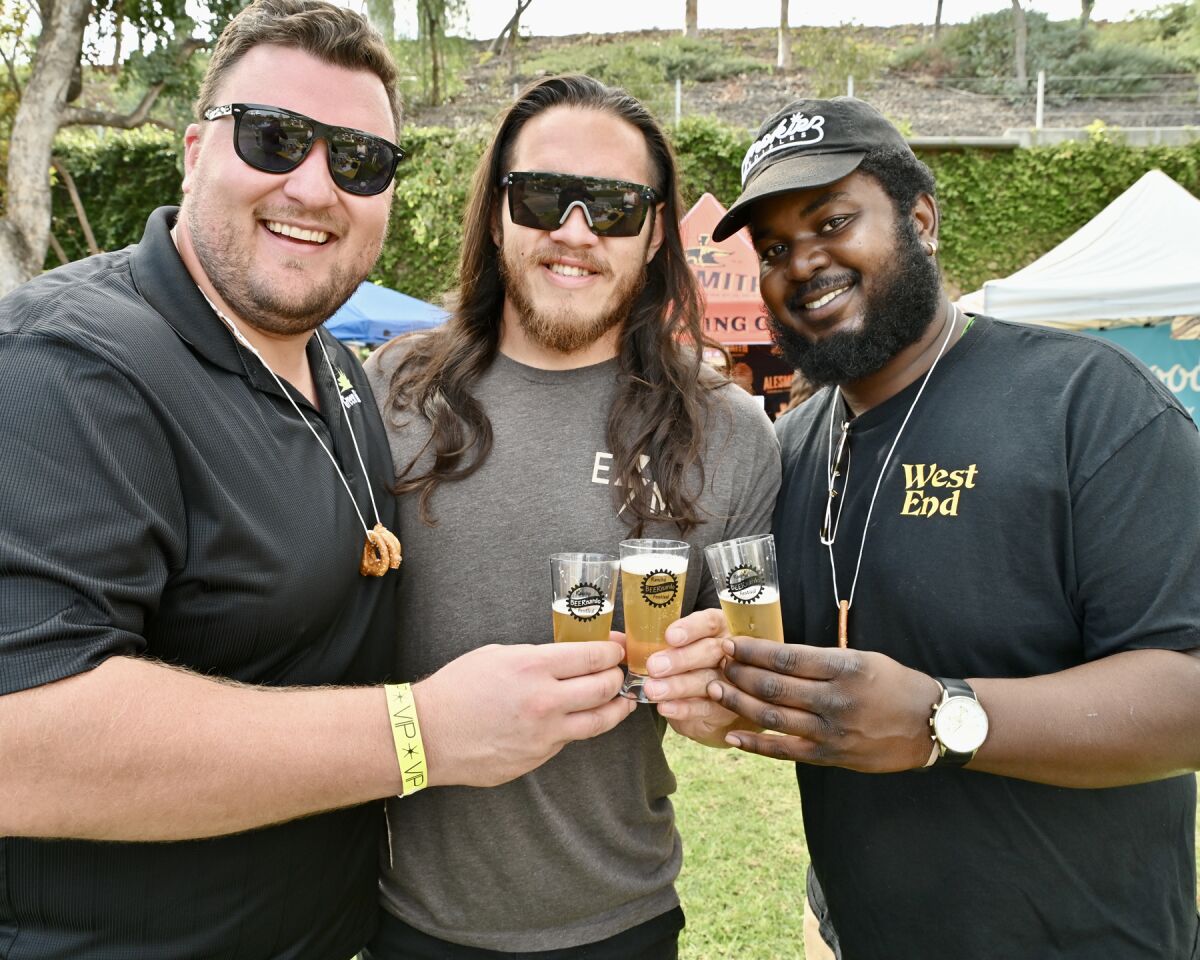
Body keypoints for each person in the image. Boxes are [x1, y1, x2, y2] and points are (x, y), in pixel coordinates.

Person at [0, 7, 635, 958]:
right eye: (273, 138)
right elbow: (22, 746)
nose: (314, 186)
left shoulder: (339, 371)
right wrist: (422, 732)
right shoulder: (71, 362)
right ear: (192, 150)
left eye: (360, 162)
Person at [704, 96, 1200, 959]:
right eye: (775, 249)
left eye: (832, 221)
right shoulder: (790, 447)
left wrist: (944, 719)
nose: (802, 264)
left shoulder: (1088, 400)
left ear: (921, 219)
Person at [363, 74, 780, 959]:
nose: (576, 231)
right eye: (545, 195)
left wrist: (723, 694)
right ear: (497, 211)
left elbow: (756, 683)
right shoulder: (387, 396)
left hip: (620, 922)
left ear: (658, 229)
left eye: (616, 207)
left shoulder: (733, 432)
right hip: (400, 916)